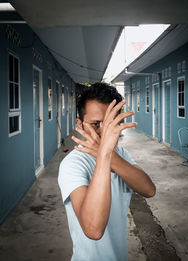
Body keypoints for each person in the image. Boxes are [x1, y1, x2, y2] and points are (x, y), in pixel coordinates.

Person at [58, 82, 156, 261]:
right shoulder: (72, 164)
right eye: (95, 124)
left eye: (111, 124)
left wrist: (109, 154)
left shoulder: (121, 154)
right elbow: (93, 230)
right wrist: (103, 154)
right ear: (79, 124)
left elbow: (149, 190)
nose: (104, 133)